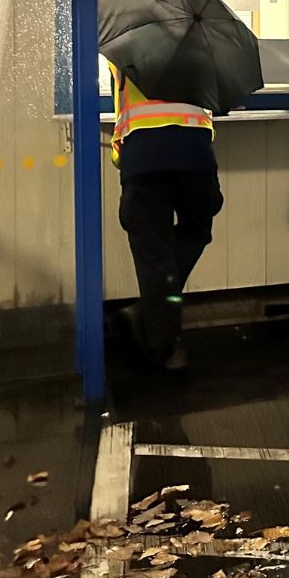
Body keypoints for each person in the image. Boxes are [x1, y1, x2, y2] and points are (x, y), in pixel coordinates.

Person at [109, 61, 222, 371]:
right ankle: (160, 336)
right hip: (193, 152)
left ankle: (159, 338)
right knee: (197, 230)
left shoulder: (127, 42)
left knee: (154, 253)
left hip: (143, 157)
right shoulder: (200, 41)